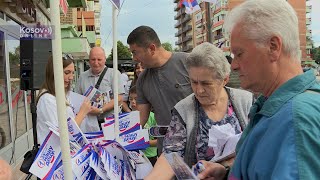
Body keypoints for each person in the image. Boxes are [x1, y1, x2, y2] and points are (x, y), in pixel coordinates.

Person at [199, 0, 320, 179]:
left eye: (239, 54)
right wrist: (226, 174)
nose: (234, 66)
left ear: (273, 47)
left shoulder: (296, 120)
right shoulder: (278, 107)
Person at [145, 42, 254, 179]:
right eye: (193, 82)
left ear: (224, 79)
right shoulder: (183, 110)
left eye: (206, 83)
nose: (198, 90)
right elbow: (171, 155)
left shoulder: (246, 102)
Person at [127, 26, 193, 153]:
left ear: (152, 48)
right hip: (166, 151)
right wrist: (119, 137)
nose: (134, 58)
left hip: (195, 147)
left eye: (135, 52)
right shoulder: (142, 79)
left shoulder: (188, 63)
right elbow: (140, 118)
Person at [36, 54, 92, 144]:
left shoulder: (61, 94)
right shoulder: (47, 100)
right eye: (67, 72)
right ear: (54, 72)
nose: (71, 77)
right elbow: (63, 135)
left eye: (73, 73)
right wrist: (82, 113)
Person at [76, 47, 125, 124]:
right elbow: (77, 98)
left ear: (105, 59)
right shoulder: (82, 76)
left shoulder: (114, 74)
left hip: (111, 122)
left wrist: (101, 110)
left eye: (99, 59)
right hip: (89, 123)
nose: (96, 63)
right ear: (89, 60)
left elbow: (119, 98)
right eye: (93, 59)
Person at [128, 85, 158, 166]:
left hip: (150, 156)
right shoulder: (127, 118)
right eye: (131, 99)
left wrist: (144, 143)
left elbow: (160, 141)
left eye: (136, 99)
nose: (133, 102)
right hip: (133, 157)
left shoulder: (153, 117)